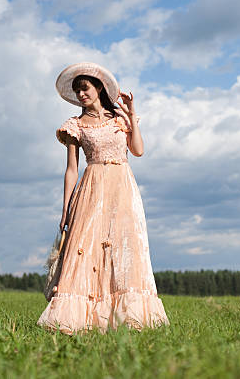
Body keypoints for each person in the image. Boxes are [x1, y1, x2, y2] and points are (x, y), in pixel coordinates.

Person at [37, 62, 169, 334]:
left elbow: (138, 151)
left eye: (84, 88)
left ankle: (129, 319)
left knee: (125, 248)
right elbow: (71, 170)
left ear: (98, 88)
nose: (81, 95)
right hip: (91, 188)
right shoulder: (74, 125)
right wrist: (65, 209)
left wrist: (132, 114)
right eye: (77, 91)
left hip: (123, 188)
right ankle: (76, 320)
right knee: (85, 249)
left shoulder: (119, 119)